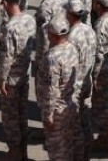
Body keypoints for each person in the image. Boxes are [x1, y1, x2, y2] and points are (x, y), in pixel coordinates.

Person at [0, 0, 36, 158]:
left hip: (12, 78)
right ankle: (23, 152)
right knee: (22, 115)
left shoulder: (9, 27)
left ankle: (15, 153)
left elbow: (7, 56)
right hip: (25, 75)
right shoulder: (29, 20)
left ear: (6, 3)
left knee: (10, 118)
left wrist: (2, 79)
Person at [40, 18, 82, 161]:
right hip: (70, 104)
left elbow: (52, 89)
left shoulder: (52, 57)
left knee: (57, 150)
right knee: (68, 145)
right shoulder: (72, 49)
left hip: (57, 110)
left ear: (52, 35)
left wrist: (49, 114)